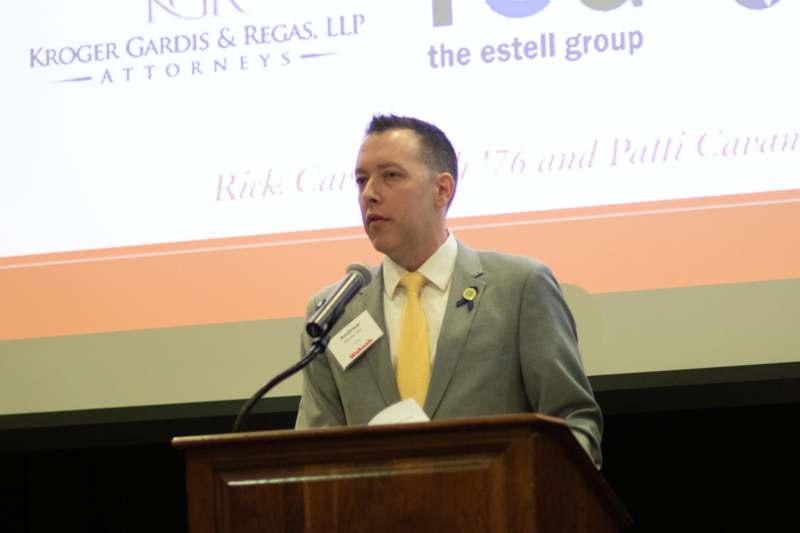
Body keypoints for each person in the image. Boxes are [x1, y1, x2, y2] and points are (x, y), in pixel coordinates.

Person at [295, 114, 602, 468]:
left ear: (442, 189)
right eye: (361, 180)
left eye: (390, 176)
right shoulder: (331, 312)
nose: (369, 194)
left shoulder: (519, 286)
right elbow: (313, 453)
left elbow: (574, 423)